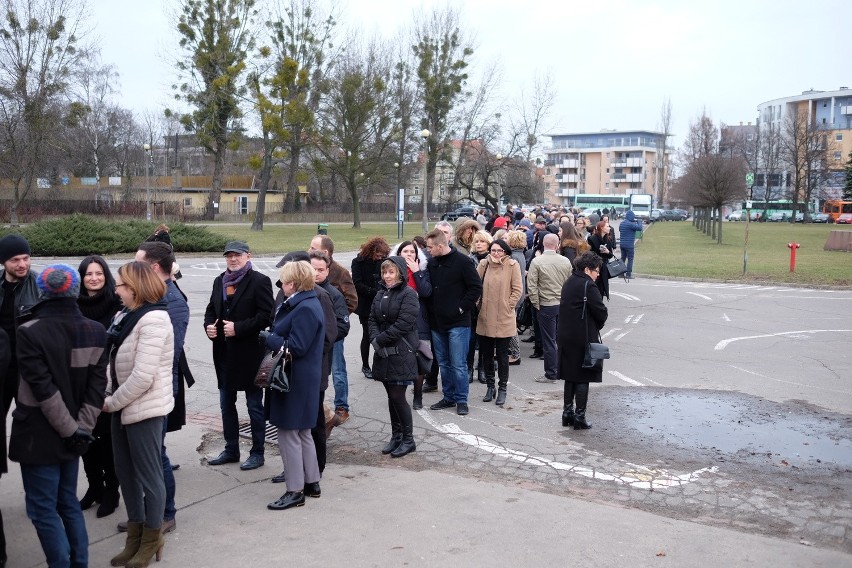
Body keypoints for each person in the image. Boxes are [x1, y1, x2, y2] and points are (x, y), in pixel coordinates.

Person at [9, 264, 108, 568]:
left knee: (41, 508)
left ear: (42, 292)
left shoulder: (29, 331)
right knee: (67, 503)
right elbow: (97, 386)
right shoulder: (96, 330)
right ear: (75, 290)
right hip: (76, 435)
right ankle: (79, 562)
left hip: (39, 436)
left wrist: (71, 430)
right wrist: (82, 428)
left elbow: (42, 388)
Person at [104, 261, 174, 567]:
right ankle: (133, 538)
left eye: (119, 285)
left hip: (144, 410)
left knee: (149, 478)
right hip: (120, 406)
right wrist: (107, 394)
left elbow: (143, 377)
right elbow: (113, 360)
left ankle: (152, 538)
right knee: (125, 474)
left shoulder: (154, 319)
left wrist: (111, 402)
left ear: (134, 288)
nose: (116, 290)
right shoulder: (125, 316)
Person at [204, 241, 274, 471]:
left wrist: (239, 328)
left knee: (254, 406)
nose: (232, 260)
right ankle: (231, 448)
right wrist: (209, 327)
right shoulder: (219, 281)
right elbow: (211, 310)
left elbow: (267, 316)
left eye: (237, 255)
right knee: (226, 404)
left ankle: (257, 452)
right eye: (229, 256)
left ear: (248, 256)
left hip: (249, 354)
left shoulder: (259, 281)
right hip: (224, 354)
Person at [136, 241, 190, 534]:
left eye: (138, 264)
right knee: (149, 454)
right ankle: (150, 512)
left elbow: (168, 353)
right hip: (146, 386)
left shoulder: (172, 301)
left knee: (156, 454)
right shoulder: (152, 295)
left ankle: (165, 514)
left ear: (154, 267)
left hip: (158, 387)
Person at [262, 261, 325, 511]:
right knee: (302, 433)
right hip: (300, 378)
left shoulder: (305, 307)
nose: (281, 285)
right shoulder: (305, 303)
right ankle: (311, 482)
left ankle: (294, 489)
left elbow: (296, 347)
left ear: (294, 284)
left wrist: (271, 338)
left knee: (289, 433)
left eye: (284, 281)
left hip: (294, 379)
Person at [76, 256, 123, 518]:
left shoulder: (117, 304)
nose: (93, 278)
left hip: (107, 384)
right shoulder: (73, 305)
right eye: (88, 274)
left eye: (98, 273)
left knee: (107, 442)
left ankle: (111, 491)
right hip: (80, 383)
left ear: (106, 276)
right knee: (86, 439)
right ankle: (93, 487)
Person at [425, 229, 482, 416]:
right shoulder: (432, 263)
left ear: (441, 246)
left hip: (458, 322)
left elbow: (475, 288)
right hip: (437, 323)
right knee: (444, 362)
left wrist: (460, 308)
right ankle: (448, 396)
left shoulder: (463, 262)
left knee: (458, 363)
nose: (428, 250)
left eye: (430, 247)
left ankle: (461, 399)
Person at [369, 257, 420, 457]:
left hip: (401, 352)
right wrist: (374, 338)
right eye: (384, 273)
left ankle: (409, 439)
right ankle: (396, 436)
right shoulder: (380, 293)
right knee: (391, 397)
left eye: (391, 272)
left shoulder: (408, 294)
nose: (387, 276)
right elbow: (372, 318)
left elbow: (404, 324)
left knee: (398, 396)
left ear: (399, 272)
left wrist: (379, 340)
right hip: (383, 353)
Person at [307, 235, 357, 428]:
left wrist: (333, 324)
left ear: (325, 253)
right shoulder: (305, 271)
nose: (309, 249)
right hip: (313, 340)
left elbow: (351, 300)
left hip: (333, 335)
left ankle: (341, 407)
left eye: (313, 247)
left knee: (337, 370)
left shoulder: (340, 273)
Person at [557, 252, 608, 429]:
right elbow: (601, 312)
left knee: (570, 376)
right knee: (582, 377)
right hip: (582, 336)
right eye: (596, 270)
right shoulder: (589, 285)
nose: (598, 274)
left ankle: (567, 413)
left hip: (565, 335)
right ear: (587, 269)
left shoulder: (569, 282)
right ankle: (580, 417)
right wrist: (597, 325)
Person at [476, 239, 523, 406]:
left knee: (503, 356)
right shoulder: (483, 264)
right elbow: (475, 286)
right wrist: (478, 304)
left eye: (499, 250)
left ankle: (502, 388)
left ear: (505, 251)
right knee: (486, 355)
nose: (496, 253)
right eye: (493, 250)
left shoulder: (512, 265)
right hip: (485, 316)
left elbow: (517, 289)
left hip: (504, 317)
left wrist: (508, 306)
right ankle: (490, 386)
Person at [528, 234, 574, 384]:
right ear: (557, 244)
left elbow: (532, 285)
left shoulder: (537, 261)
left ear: (542, 243)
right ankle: (563, 369)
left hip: (546, 304)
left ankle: (551, 373)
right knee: (561, 339)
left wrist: (536, 303)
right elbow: (570, 283)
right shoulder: (565, 261)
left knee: (549, 340)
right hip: (562, 304)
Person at [392, 241, 432, 409]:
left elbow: (426, 292)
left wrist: (417, 273)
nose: (409, 254)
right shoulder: (392, 272)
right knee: (399, 359)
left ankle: (418, 395)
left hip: (419, 322)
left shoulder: (422, 271)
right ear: (398, 254)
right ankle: (399, 395)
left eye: (412, 251)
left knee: (419, 358)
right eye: (405, 251)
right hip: (398, 321)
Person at [351, 237, 390, 379]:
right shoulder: (358, 262)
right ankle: (365, 365)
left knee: (382, 334)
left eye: (381, 256)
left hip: (382, 302)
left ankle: (378, 365)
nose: (379, 257)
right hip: (366, 304)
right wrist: (375, 292)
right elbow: (357, 283)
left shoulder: (382, 262)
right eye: (377, 255)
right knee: (367, 335)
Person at [588, 221, 615, 301]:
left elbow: (610, 255)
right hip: (594, 266)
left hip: (604, 267)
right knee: (594, 285)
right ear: (602, 228)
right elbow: (589, 254)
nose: (609, 228)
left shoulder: (608, 239)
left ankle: (600, 303)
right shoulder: (592, 239)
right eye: (607, 226)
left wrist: (607, 252)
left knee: (602, 287)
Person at [618, 210, 644, 280]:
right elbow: (640, 228)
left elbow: (621, 230)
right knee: (630, 259)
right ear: (631, 217)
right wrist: (639, 221)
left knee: (622, 259)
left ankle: (621, 273)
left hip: (622, 244)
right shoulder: (631, 224)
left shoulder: (622, 223)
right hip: (629, 245)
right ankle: (628, 274)